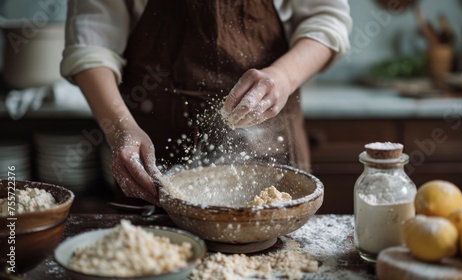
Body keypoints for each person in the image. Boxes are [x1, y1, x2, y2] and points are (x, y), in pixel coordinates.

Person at [61, 0, 352, 206]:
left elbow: (328, 19)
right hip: (155, 143)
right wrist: (120, 129)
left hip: (267, 140)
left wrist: (283, 77)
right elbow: (91, 44)